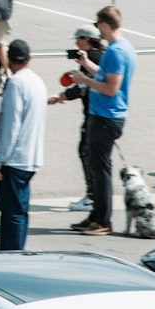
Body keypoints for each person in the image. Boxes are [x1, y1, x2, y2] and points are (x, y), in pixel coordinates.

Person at [70, 6, 137, 236]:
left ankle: (103, 220)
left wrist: (84, 80)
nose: (97, 30)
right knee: (97, 168)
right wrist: (87, 64)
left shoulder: (117, 51)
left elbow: (110, 87)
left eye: (98, 26)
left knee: (100, 171)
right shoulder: (120, 48)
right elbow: (105, 74)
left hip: (107, 116)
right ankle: (96, 216)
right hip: (104, 115)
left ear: (105, 25)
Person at [0, 39, 46, 251]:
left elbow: (10, 126)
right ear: (29, 58)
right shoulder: (38, 82)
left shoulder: (15, 84)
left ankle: (10, 257)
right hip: (32, 156)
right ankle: (17, 254)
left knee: (11, 214)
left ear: (8, 59)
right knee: (20, 212)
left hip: (14, 159)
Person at [48, 25, 106, 212]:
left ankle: (92, 197)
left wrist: (61, 97)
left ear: (87, 39)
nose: (76, 42)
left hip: (93, 115)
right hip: (99, 114)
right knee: (94, 155)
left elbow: (82, 88)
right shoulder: (100, 56)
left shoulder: (91, 59)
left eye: (78, 39)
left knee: (86, 152)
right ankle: (96, 196)